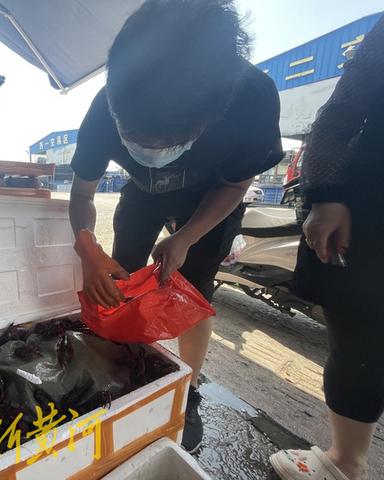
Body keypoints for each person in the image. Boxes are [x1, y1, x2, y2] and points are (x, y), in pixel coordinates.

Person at [68, 0, 283, 452]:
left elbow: (236, 182)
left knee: (194, 290)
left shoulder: (252, 98)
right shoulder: (107, 105)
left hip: (210, 201)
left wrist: (186, 237)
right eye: (133, 136)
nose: (147, 151)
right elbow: (83, 194)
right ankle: (123, 362)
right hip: (141, 196)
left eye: (162, 144)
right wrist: (87, 248)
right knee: (122, 278)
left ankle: (189, 387)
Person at [270, 15, 384, 480]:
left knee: (361, 339)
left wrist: (326, 195)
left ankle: (344, 462)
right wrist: (329, 194)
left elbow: (339, 114)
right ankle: (346, 461)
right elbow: (341, 113)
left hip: (368, 208)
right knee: (360, 338)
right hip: (369, 211)